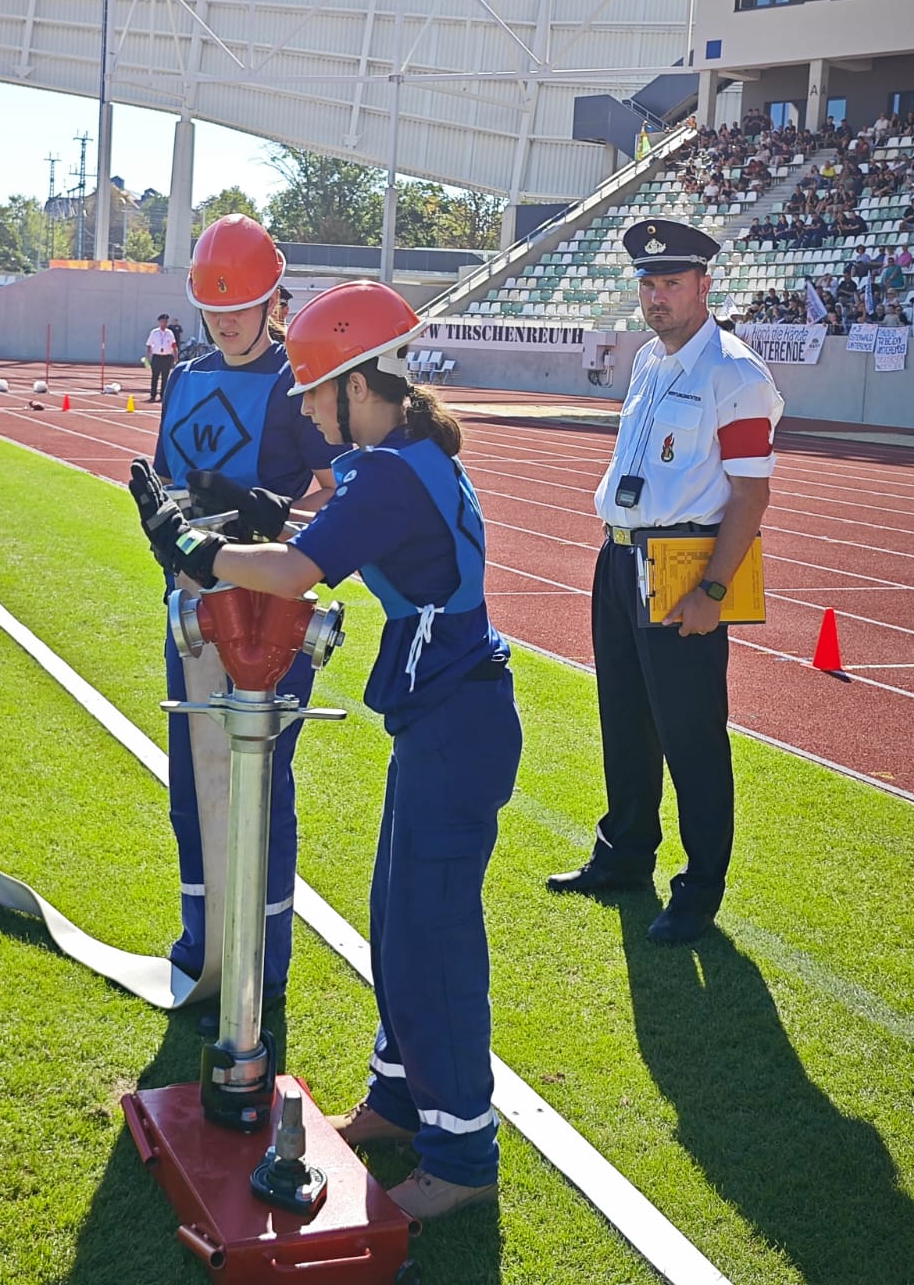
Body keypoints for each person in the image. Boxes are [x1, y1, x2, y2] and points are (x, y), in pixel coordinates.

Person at [129, 279, 521, 1222]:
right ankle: (399, 1101)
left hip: (457, 720)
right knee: (396, 914)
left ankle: (462, 1154)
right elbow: (334, 532)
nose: (302, 409)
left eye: (312, 393)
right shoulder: (400, 455)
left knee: (431, 932)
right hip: (448, 713)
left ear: (357, 384)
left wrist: (191, 542)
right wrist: (258, 512)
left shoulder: (387, 471)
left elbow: (301, 570)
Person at [546, 219, 783, 946]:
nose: (657, 296)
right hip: (620, 556)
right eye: (648, 283)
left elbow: (751, 495)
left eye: (672, 283)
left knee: (690, 732)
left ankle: (700, 887)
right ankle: (624, 852)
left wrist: (712, 592)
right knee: (624, 717)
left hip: (683, 565)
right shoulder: (651, 359)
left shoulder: (734, 374)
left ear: (704, 286)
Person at [143, 215, 339, 1005]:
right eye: (214, 307)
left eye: (241, 306)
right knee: (193, 784)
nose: (225, 321)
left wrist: (271, 520)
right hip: (191, 606)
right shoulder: (186, 375)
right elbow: (167, 482)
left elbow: (340, 498)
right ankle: (201, 946)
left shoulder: (301, 382)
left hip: (269, 613)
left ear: (272, 298)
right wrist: (163, 530)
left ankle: (263, 962)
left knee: (260, 787)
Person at [145, 312, 177, 402]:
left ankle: (163, 396)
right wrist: (148, 355)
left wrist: (176, 356)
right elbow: (149, 344)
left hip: (167, 357)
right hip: (157, 357)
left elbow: (174, 345)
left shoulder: (170, 333)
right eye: (163, 321)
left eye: (166, 321)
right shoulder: (154, 332)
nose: (164, 323)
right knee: (155, 377)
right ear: (159, 322)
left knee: (165, 378)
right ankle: (153, 395)